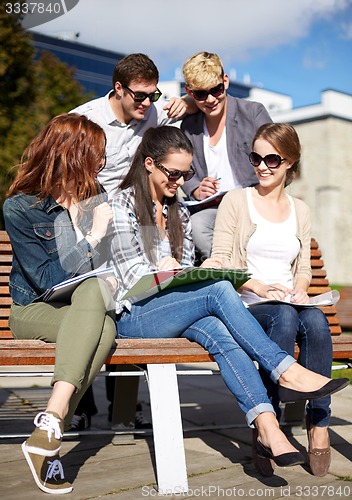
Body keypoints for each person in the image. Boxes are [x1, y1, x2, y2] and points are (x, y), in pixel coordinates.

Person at [107, 125, 348, 475]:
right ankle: (287, 370)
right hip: (134, 315)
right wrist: (163, 269)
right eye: (173, 173)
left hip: (170, 309)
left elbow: (186, 266)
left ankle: (268, 428)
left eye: (186, 174)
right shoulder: (122, 203)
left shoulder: (179, 210)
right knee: (220, 291)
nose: (180, 181)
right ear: (149, 164)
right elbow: (130, 278)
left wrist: (197, 269)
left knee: (221, 331)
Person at [70, 53, 197, 427]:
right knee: (95, 307)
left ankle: (124, 404)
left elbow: (189, 116)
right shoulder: (86, 120)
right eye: (139, 96)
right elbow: (69, 175)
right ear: (118, 89)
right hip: (92, 218)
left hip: (134, 217)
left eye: (153, 96)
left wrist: (187, 101)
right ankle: (80, 405)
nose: (147, 103)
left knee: (133, 303)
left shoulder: (152, 114)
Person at [211, 122, 336, 477]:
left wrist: (300, 286)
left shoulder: (300, 209)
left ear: (290, 163)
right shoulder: (237, 200)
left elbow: (303, 268)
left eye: (272, 159)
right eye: (256, 157)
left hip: (290, 304)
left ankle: (318, 421)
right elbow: (222, 262)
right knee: (283, 315)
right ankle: (269, 426)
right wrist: (260, 286)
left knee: (315, 320)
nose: (262, 166)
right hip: (247, 303)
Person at [3, 113, 117, 494]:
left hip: (84, 305)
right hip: (33, 309)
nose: (102, 164)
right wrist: (93, 236)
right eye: (96, 156)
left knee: (100, 304)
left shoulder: (93, 197)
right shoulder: (21, 208)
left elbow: (107, 267)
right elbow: (49, 280)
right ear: (72, 154)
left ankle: (48, 425)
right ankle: (53, 427)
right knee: (101, 320)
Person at [180, 51, 272, 261]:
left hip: (254, 205)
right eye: (201, 94)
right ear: (190, 92)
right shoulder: (189, 126)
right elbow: (184, 170)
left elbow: (278, 158)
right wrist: (195, 188)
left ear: (226, 82)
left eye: (216, 90)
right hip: (213, 210)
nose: (211, 99)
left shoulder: (252, 113)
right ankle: (231, 276)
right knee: (197, 225)